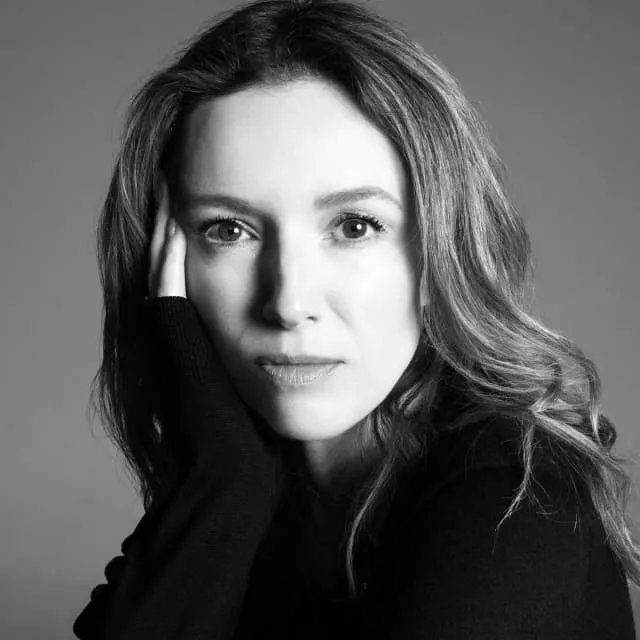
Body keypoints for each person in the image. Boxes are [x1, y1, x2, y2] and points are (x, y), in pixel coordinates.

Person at [73, 0, 639, 637]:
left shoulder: (514, 502)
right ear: (167, 266)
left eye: (354, 226)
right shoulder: (244, 484)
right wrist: (222, 484)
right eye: (228, 230)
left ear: (441, 248)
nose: (289, 302)